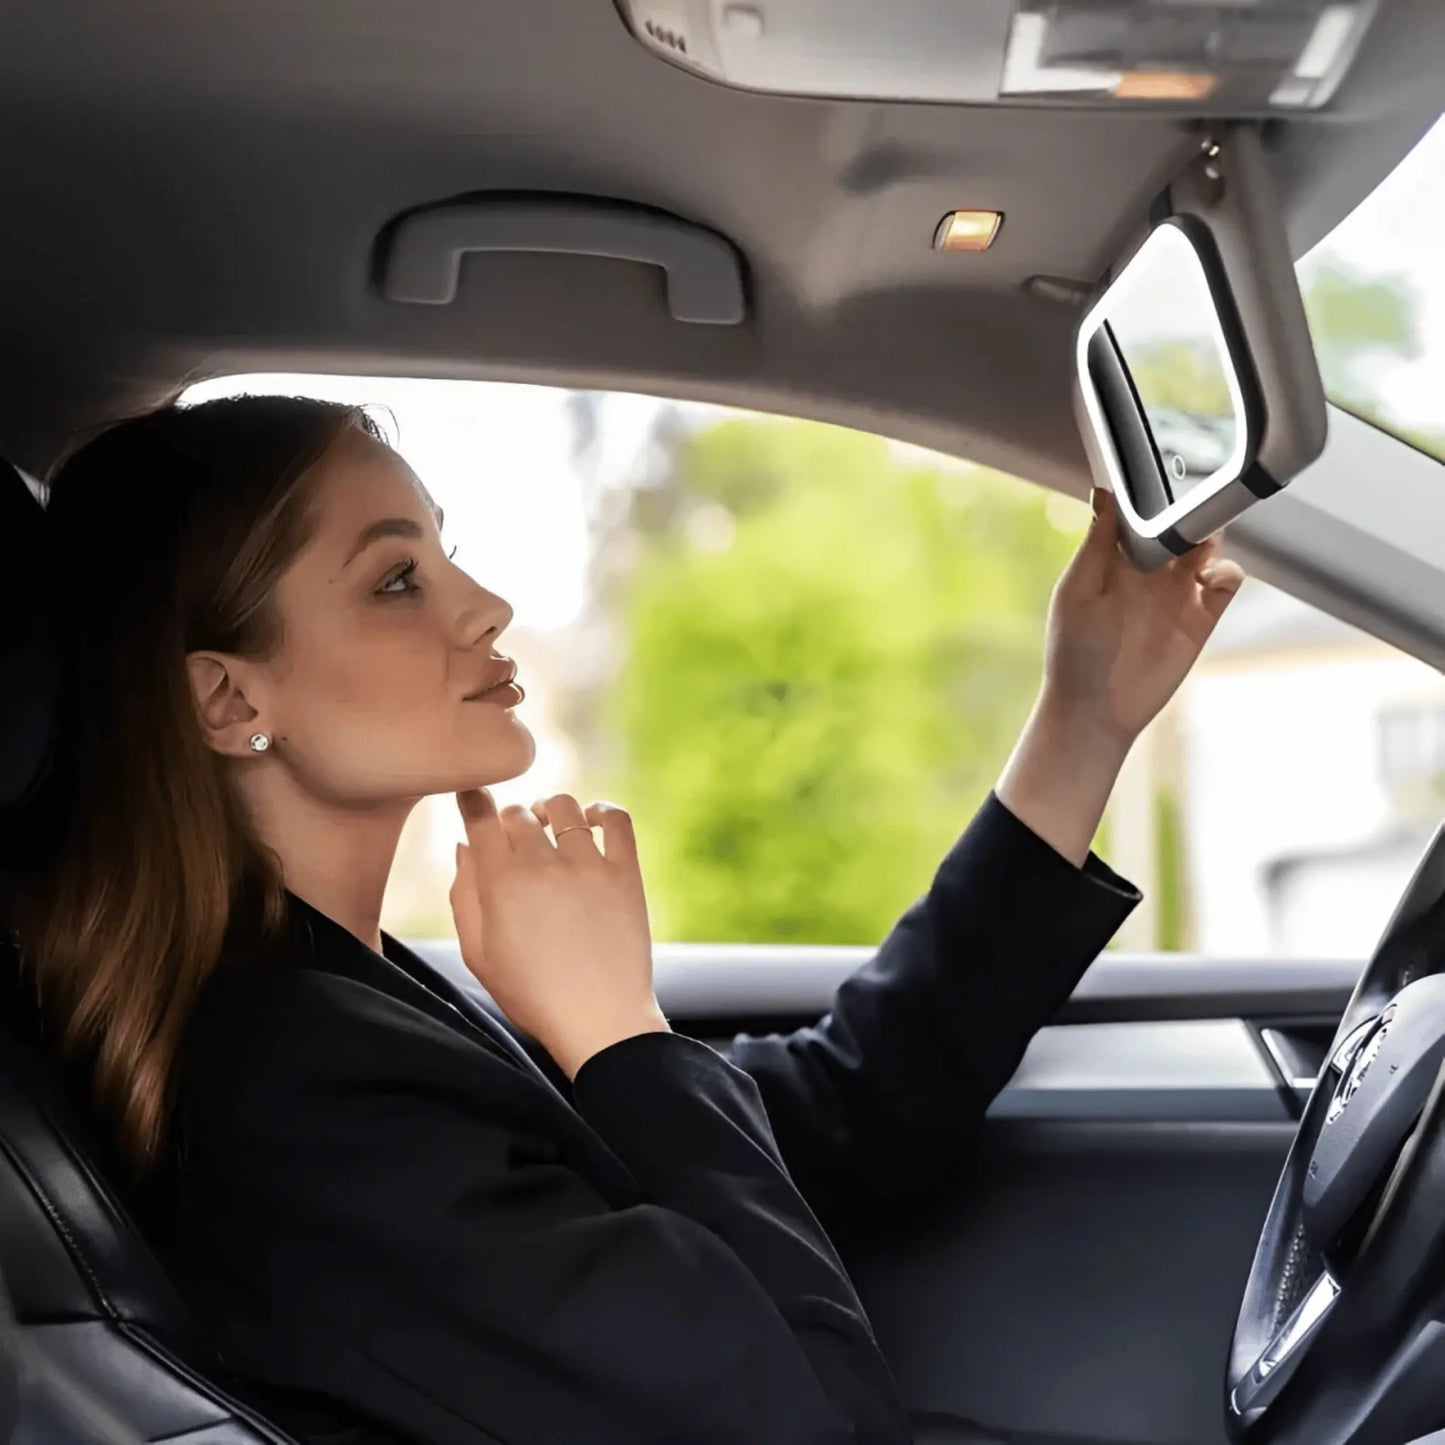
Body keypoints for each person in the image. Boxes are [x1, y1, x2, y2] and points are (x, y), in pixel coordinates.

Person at [11, 395, 1244, 1444]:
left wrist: (1081, 718)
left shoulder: (343, 990)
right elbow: (814, 1420)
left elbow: (832, 1120)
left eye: (446, 554)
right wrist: (612, 1026)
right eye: (397, 580)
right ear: (229, 698)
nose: (486, 604)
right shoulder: (292, 1091)